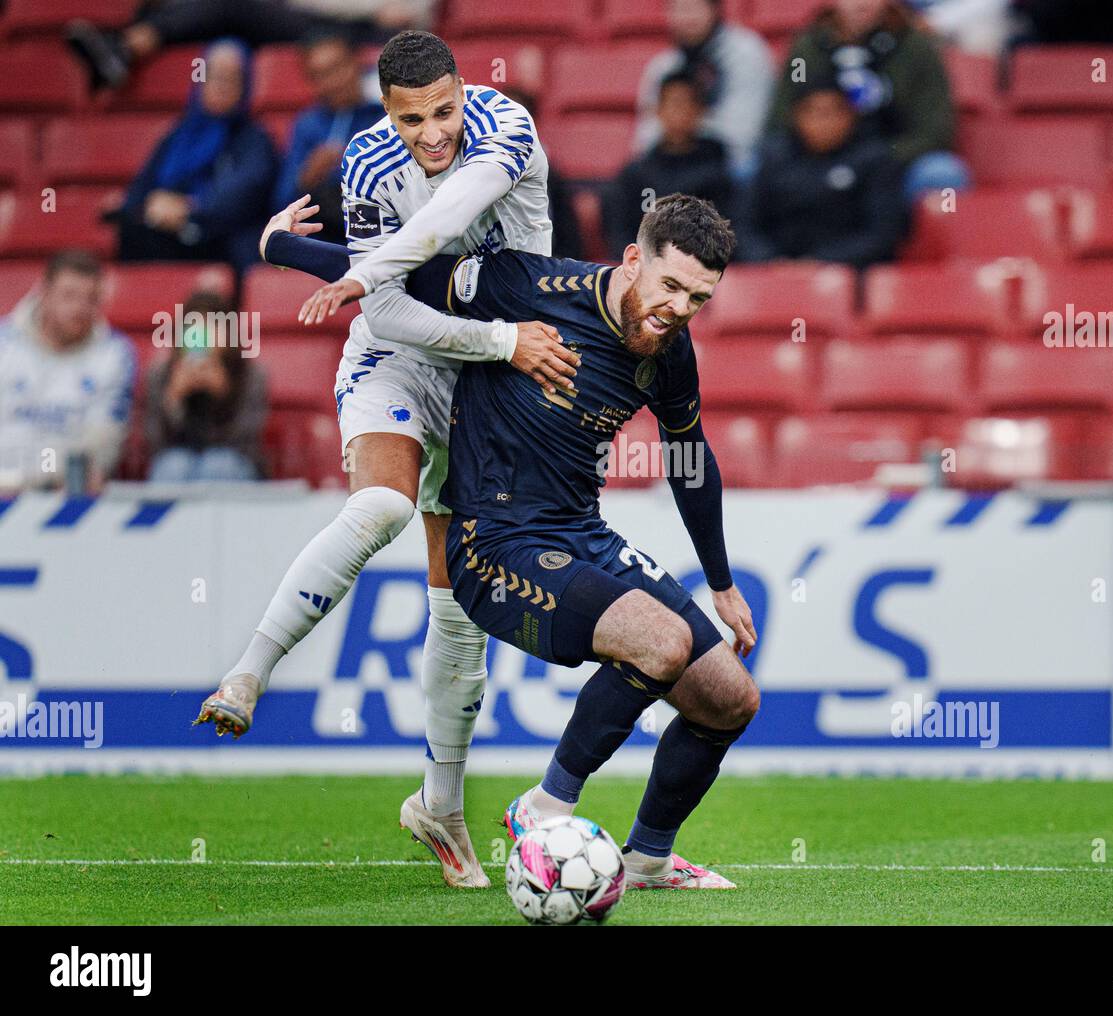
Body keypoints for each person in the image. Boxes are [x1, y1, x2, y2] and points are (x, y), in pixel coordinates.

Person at [263, 193, 760, 890]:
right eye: (670, 285)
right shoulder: (530, 285)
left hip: (580, 534)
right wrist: (281, 248)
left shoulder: (671, 352)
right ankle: (544, 807)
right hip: (491, 543)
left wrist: (721, 583)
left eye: (697, 299)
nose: (678, 308)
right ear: (632, 261)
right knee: (661, 642)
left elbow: (689, 458)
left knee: (731, 698)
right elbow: (399, 271)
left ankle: (648, 856)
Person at [193, 31, 577, 892]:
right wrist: (481, 332)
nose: (432, 134)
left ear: (463, 92)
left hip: (489, 381)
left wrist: (341, 267)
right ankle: (248, 674)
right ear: (386, 112)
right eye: (412, 120)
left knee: (462, 608)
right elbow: (393, 314)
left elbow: (442, 224)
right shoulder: (367, 164)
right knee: (381, 507)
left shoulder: (505, 129)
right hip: (409, 357)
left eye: (444, 112)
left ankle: (441, 806)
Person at [770, 0, 969, 202]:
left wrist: (882, 157)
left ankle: (944, 221)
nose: (862, 4)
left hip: (894, 155)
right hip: (817, 155)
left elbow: (935, 130)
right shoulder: (805, 51)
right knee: (756, 166)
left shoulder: (918, 49)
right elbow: (785, 112)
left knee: (943, 174)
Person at [117, 39, 278, 271]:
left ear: (245, 85)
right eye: (213, 77)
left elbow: (242, 197)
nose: (221, 86)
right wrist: (145, 207)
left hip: (219, 239)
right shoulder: (178, 135)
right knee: (132, 230)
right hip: (167, 233)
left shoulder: (255, 140)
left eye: (231, 79)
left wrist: (189, 209)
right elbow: (141, 189)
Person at [0, 251, 135, 494]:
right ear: (44, 293)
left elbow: (104, 435)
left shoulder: (114, 355)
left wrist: (77, 476)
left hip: (64, 489)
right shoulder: (4, 344)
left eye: (91, 299)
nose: (80, 308)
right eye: (69, 295)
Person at [67, 0, 429, 91]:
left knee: (232, 5)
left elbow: (407, 12)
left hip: (355, 27)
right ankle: (126, 43)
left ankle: (125, 47)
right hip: (317, 15)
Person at [745, 81, 909, 267]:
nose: (823, 122)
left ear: (852, 115)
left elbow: (883, 233)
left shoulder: (875, 160)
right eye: (812, 112)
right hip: (774, 270)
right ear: (795, 116)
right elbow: (744, 224)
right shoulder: (773, 156)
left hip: (849, 269)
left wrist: (821, 262)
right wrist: (769, 260)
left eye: (833, 112)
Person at [633, 0, 774, 180]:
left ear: (715, 10)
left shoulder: (747, 53)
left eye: (695, 8)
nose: (687, 18)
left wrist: (685, 144)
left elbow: (741, 135)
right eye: (679, 9)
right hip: (671, 167)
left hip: (730, 168)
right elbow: (646, 135)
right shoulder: (663, 66)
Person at [272, 32, 386, 244]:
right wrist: (308, 175)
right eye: (320, 75)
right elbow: (281, 204)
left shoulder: (386, 114)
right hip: (324, 237)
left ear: (357, 62)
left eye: (337, 68)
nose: (333, 82)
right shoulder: (307, 124)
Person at [144, 293, 268, 482]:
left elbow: (246, 443)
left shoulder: (251, 375)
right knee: (174, 467)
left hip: (234, 464)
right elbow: (154, 445)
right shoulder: (161, 374)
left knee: (219, 465)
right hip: (176, 464)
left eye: (212, 327)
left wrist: (223, 396)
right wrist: (173, 402)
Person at [606, 73, 734, 255]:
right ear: (658, 110)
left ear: (701, 111)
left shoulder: (720, 173)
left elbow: (731, 232)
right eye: (673, 103)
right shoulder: (635, 174)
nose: (679, 112)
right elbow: (620, 233)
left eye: (686, 104)